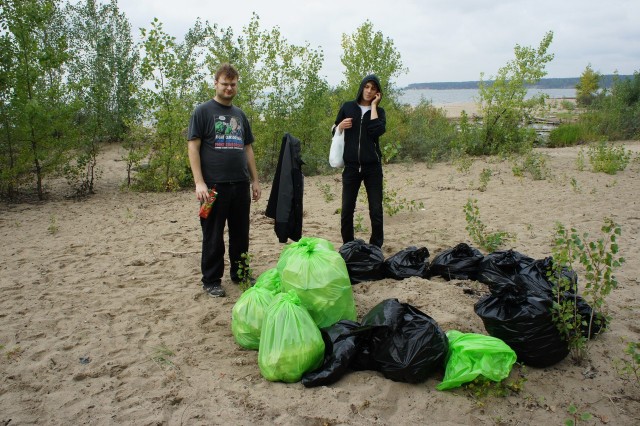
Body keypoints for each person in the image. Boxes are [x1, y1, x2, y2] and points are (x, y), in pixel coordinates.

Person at [187, 63, 261, 298]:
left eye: (233, 84)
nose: (229, 88)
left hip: (239, 185)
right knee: (213, 234)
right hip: (212, 188)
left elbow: (247, 148)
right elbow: (193, 147)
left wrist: (255, 180)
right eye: (225, 84)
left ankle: (240, 273)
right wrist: (199, 182)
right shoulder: (202, 111)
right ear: (215, 84)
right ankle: (211, 280)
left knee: (241, 234)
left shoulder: (239, 115)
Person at [333, 75, 386, 248]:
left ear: (377, 93)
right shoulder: (348, 107)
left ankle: (376, 247)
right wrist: (340, 127)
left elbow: (376, 131)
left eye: (373, 89)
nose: (369, 91)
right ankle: (348, 245)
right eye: (367, 87)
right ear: (362, 87)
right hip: (351, 167)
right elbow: (334, 130)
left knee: (376, 210)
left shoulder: (380, 111)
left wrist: (373, 107)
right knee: (347, 210)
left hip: (373, 168)